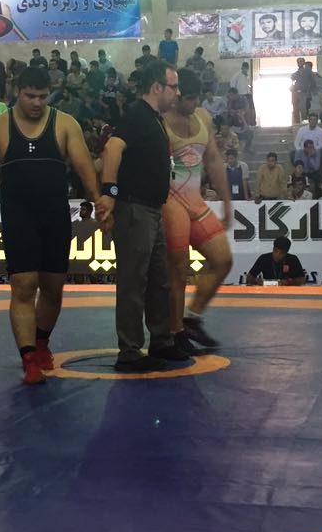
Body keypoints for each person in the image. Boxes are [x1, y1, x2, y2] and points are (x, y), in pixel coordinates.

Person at [0, 66, 104, 384]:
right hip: (19, 217)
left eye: (43, 97)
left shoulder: (65, 124)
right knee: (23, 285)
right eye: (30, 96)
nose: (37, 103)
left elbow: (84, 166)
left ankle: (41, 342)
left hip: (55, 216)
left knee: (53, 289)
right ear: (17, 92)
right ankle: (28, 357)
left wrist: (99, 200)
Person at [98, 61, 187, 372]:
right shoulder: (137, 114)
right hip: (134, 208)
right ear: (156, 87)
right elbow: (112, 148)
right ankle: (130, 350)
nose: (178, 93)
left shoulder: (153, 118)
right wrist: (109, 192)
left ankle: (161, 340)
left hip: (152, 209)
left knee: (159, 280)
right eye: (174, 86)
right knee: (133, 282)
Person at [162, 69, 234, 353]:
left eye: (196, 98)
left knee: (223, 260)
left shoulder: (203, 117)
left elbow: (213, 160)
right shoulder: (162, 122)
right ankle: (173, 331)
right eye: (189, 99)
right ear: (176, 96)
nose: (194, 104)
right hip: (170, 203)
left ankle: (192, 318)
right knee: (178, 270)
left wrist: (226, 201)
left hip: (195, 202)